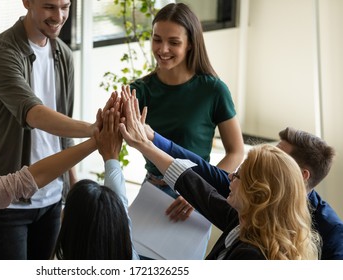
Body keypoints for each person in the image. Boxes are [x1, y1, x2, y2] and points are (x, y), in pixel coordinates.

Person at [118, 92, 321, 259]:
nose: (230, 176)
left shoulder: (251, 255)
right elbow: (195, 185)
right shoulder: (247, 221)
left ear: (258, 193)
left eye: (239, 174)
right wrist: (146, 143)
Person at [0, 0, 91, 259]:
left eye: (65, 7)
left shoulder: (64, 54)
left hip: (51, 198)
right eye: (49, 7)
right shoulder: (1, 52)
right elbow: (34, 114)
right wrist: (95, 130)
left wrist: (72, 186)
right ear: (27, 2)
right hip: (7, 201)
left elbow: (62, 129)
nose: (59, 16)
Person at [146, 124, 343, 260]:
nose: (230, 177)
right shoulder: (246, 212)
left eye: (278, 159)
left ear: (300, 174)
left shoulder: (332, 231)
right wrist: (149, 140)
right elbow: (201, 181)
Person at [130, 2, 244, 223]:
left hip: (195, 199)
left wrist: (201, 190)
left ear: (191, 43)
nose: (162, 49)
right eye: (157, 39)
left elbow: (236, 152)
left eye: (174, 42)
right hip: (152, 191)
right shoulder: (140, 90)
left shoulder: (213, 90)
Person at [54, 104, 139, 259]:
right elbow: (120, 207)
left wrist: (102, 144)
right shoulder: (129, 255)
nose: (62, 212)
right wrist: (111, 156)